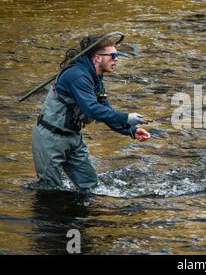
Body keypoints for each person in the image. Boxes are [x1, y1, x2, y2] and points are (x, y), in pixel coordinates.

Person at [32, 34, 150, 192]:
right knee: (50, 190)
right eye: (113, 56)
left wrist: (130, 130)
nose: (116, 59)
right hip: (50, 138)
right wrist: (127, 117)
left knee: (91, 187)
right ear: (97, 58)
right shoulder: (78, 76)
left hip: (73, 137)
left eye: (117, 55)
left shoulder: (96, 78)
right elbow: (92, 110)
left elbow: (105, 111)